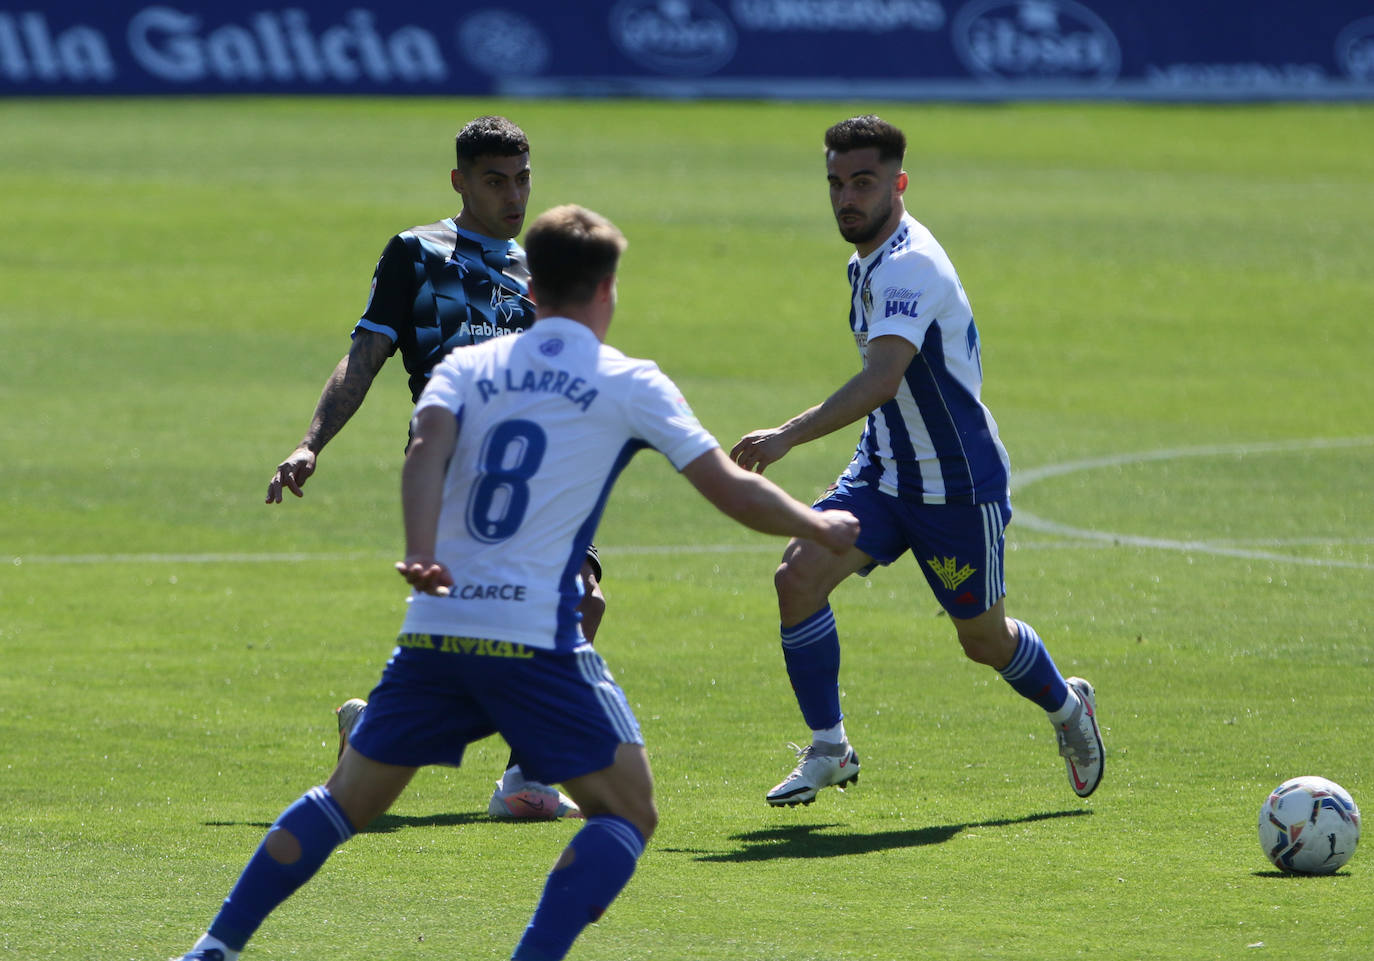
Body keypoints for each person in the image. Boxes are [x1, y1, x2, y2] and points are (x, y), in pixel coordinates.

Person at [172, 204, 860, 961]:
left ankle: (213, 945)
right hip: (536, 636)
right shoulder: (628, 381)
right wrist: (816, 524)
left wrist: (421, 549)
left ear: (532, 289)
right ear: (607, 291)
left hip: (438, 625)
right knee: (627, 812)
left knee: (344, 804)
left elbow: (423, 453)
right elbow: (730, 487)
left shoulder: (466, 369)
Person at [730, 115, 1104, 808]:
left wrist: (786, 435)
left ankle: (1065, 706)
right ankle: (829, 749)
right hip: (883, 471)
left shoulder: (910, 265)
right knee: (797, 576)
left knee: (983, 640)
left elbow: (882, 380)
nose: (847, 197)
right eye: (836, 183)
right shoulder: (866, 258)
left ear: (898, 184)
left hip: (955, 488)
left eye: (864, 182)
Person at [264, 115, 595, 818]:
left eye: (523, 179)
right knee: (488, 626)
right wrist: (310, 442)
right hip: (452, 460)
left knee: (579, 602)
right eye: (495, 181)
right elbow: (365, 355)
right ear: (460, 181)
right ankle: (446, 750)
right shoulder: (419, 253)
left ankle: (510, 769)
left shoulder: (538, 266)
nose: (514, 195)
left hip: (536, 467)